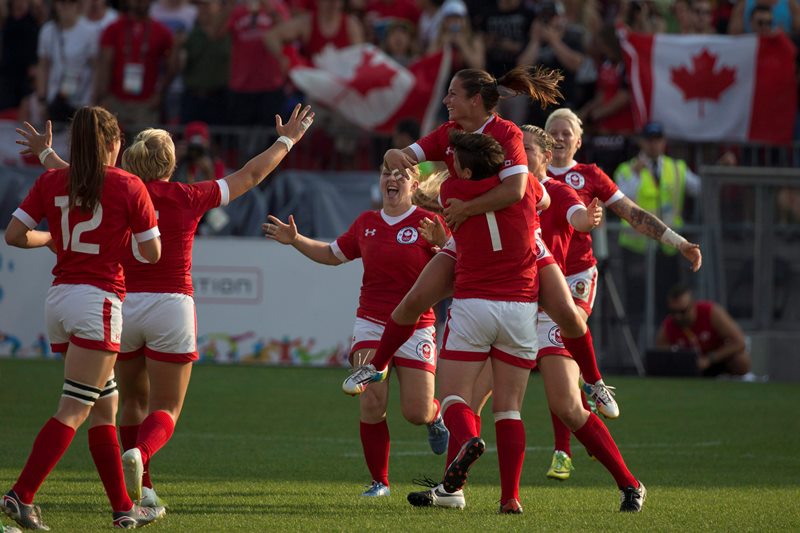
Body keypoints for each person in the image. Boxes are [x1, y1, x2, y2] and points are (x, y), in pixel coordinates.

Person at [17, 103, 316, 511]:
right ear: (170, 163)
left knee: (126, 403)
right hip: (169, 305)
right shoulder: (186, 195)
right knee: (166, 408)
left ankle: (143, 491)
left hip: (123, 306)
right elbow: (251, 175)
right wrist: (287, 140)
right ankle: (141, 456)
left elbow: (75, 175)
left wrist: (46, 155)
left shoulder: (110, 186)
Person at [341, 64, 562, 399]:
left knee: (569, 317)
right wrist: (393, 154)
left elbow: (519, 191)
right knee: (413, 300)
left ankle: (593, 380)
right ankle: (376, 366)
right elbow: (406, 155)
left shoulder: (508, 134)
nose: (446, 100)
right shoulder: (447, 133)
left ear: (475, 100)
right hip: (469, 245)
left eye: (453, 94)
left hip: (518, 245)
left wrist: (464, 208)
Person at [2, 106, 164, 530]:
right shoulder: (129, 185)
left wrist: (53, 238)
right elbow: (152, 253)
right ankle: (21, 495)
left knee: (103, 408)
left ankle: (123, 509)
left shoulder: (53, 179)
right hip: (99, 302)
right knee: (74, 407)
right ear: (115, 144)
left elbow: (15, 236)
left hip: (59, 300)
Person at [263, 164, 450, 498]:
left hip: (416, 325)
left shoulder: (428, 223)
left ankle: (435, 417)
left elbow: (456, 263)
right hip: (372, 323)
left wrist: (443, 240)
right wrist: (295, 240)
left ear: (415, 183)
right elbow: (333, 254)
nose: (391, 178)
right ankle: (380, 482)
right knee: (370, 401)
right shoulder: (367, 223)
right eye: (385, 172)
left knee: (415, 412)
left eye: (401, 174)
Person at [415, 130, 543, 514]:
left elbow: (421, 196)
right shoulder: (524, 187)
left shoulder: (454, 190)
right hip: (521, 308)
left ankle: (469, 439)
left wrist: (413, 164)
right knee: (509, 409)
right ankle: (510, 498)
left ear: (466, 171)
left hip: (475, 304)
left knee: (453, 396)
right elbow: (545, 198)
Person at [545, 109, 702, 363]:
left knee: (562, 345)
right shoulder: (529, 176)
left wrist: (679, 242)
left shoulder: (591, 175)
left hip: (576, 273)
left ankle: (588, 385)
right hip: (536, 272)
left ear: (578, 141)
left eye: (567, 133)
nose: (559, 138)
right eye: (553, 133)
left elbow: (633, 214)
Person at [613, 120, 702, 340]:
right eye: (649, 140)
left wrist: (720, 168)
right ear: (642, 142)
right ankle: (636, 348)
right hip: (637, 249)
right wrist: (635, 173)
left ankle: (662, 343)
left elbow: (700, 188)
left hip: (667, 249)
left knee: (665, 301)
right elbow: (621, 199)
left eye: (658, 140)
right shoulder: (627, 169)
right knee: (636, 301)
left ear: (663, 142)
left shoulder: (676, 168)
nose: (654, 145)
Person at [94, 0, 177, 134]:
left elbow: (172, 66)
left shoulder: (162, 32)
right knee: (112, 148)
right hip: (116, 101)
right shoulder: (113, 28)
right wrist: (104, 96)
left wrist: (160, 93)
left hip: (146, 104)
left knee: (144, 150)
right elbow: (105, 63)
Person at [655, 284, 752, 377]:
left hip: (717, 360)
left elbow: (740, 342)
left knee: (741, 360)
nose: (677, 316)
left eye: (682, 311)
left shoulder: (711, 312)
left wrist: (710, 359)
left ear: (692, 305)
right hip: (691, 367)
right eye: (673, 312)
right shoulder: (668, 324)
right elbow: (660, 353)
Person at [35, 0, 101, 123]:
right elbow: (43, 66)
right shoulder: (47, 31)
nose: (65, 7)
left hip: (82, 99)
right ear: (56, 5)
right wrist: (42, 99)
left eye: (70, 3)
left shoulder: (90, 31)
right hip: (55, 97)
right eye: (62, 3)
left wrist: (93, 98)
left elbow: (96, 67)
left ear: (77, 5)